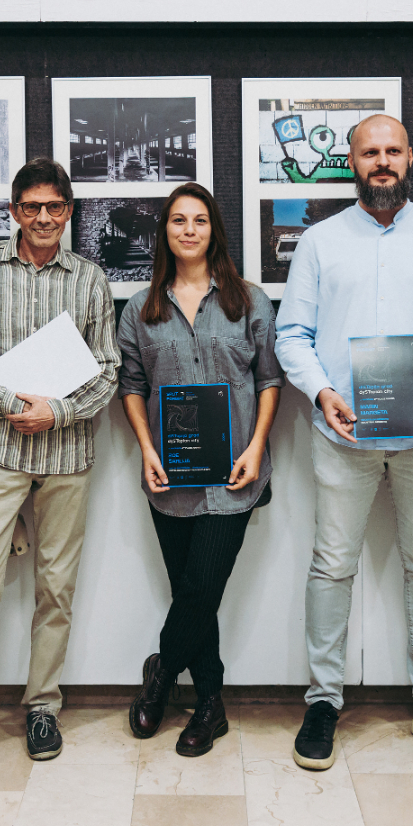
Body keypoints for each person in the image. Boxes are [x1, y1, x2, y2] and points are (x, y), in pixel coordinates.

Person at [275, 114, 413, 771]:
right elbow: (291, 335)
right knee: (330, 566)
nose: (381, 161)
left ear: (408, 158)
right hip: (340, 433)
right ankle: (322, 700)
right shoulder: (318, 242)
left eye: (391, 150)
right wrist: (321, 392)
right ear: (350, 161)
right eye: (369, 152)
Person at [0, 158, 119, 776]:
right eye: (30, 207)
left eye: (54, 208)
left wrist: (57, 411)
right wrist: (13, 407)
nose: (42, 218)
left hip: (66, 456)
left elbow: (108, 368)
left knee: (55, 589)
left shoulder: (89, 279)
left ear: (68, 213)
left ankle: (43, 707)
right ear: (13, 211)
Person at [119, 183, 284, 756]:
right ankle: (210, 705)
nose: (189, 230)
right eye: (178, 221)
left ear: (214, 230)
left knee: (199, 586)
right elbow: (132, 386)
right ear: (164, 231)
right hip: (170, 477)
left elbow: (269, 380)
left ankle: (161, 676)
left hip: (235, 474)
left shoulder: (250, 302)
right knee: (195, 594)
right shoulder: (142, 309)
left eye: (200, 221)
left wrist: (257, 446)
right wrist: (146, 448)